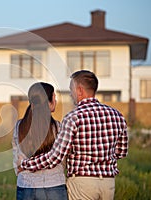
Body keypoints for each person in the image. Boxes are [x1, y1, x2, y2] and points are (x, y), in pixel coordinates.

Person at [20, 70, 129, 200]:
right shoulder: (117, 115)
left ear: (79, 90)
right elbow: (122, 152)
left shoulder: (73, 118)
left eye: (71, 89)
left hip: (82, 184)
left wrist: (26, 164)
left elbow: (55, 156)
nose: (71, 95)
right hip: (108, 183)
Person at [12, 82, 68, 200]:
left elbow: (16, 158)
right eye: (55, 97)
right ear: (50, 100)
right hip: (55, 185)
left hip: (26, 185)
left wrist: (22, 170)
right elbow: (62, 159)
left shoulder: (18, 126)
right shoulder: (58, 127)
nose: (56, 101)